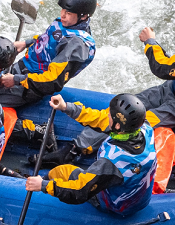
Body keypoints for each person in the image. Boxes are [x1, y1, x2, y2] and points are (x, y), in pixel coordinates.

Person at [41, 0, 175, 190]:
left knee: (129, 122)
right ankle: (74, 149)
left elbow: (162, 68)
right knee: (125, 106)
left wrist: (150, 41)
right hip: (172, 91)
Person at [25, 93, 157, 217]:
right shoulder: (145, 129)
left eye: (110, 115)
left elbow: (79, 191)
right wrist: (66, 107)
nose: (107, 115)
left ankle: (37, 188)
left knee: (61, 171)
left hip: (114, 205)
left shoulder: (112, 161)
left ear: (117, 125)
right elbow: (99, 119)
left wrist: (43, 185)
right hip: (138, 198)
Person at [0, 0, 97, 109]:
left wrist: (16, 80)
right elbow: (48, 39)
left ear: (84, 16)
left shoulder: (76, 45)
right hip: (22, 67)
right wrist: (26, 43)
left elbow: (52, 81)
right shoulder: (67, 23)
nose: (63, 15)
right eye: (63, 10)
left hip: (30, 86)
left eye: (68, 13)